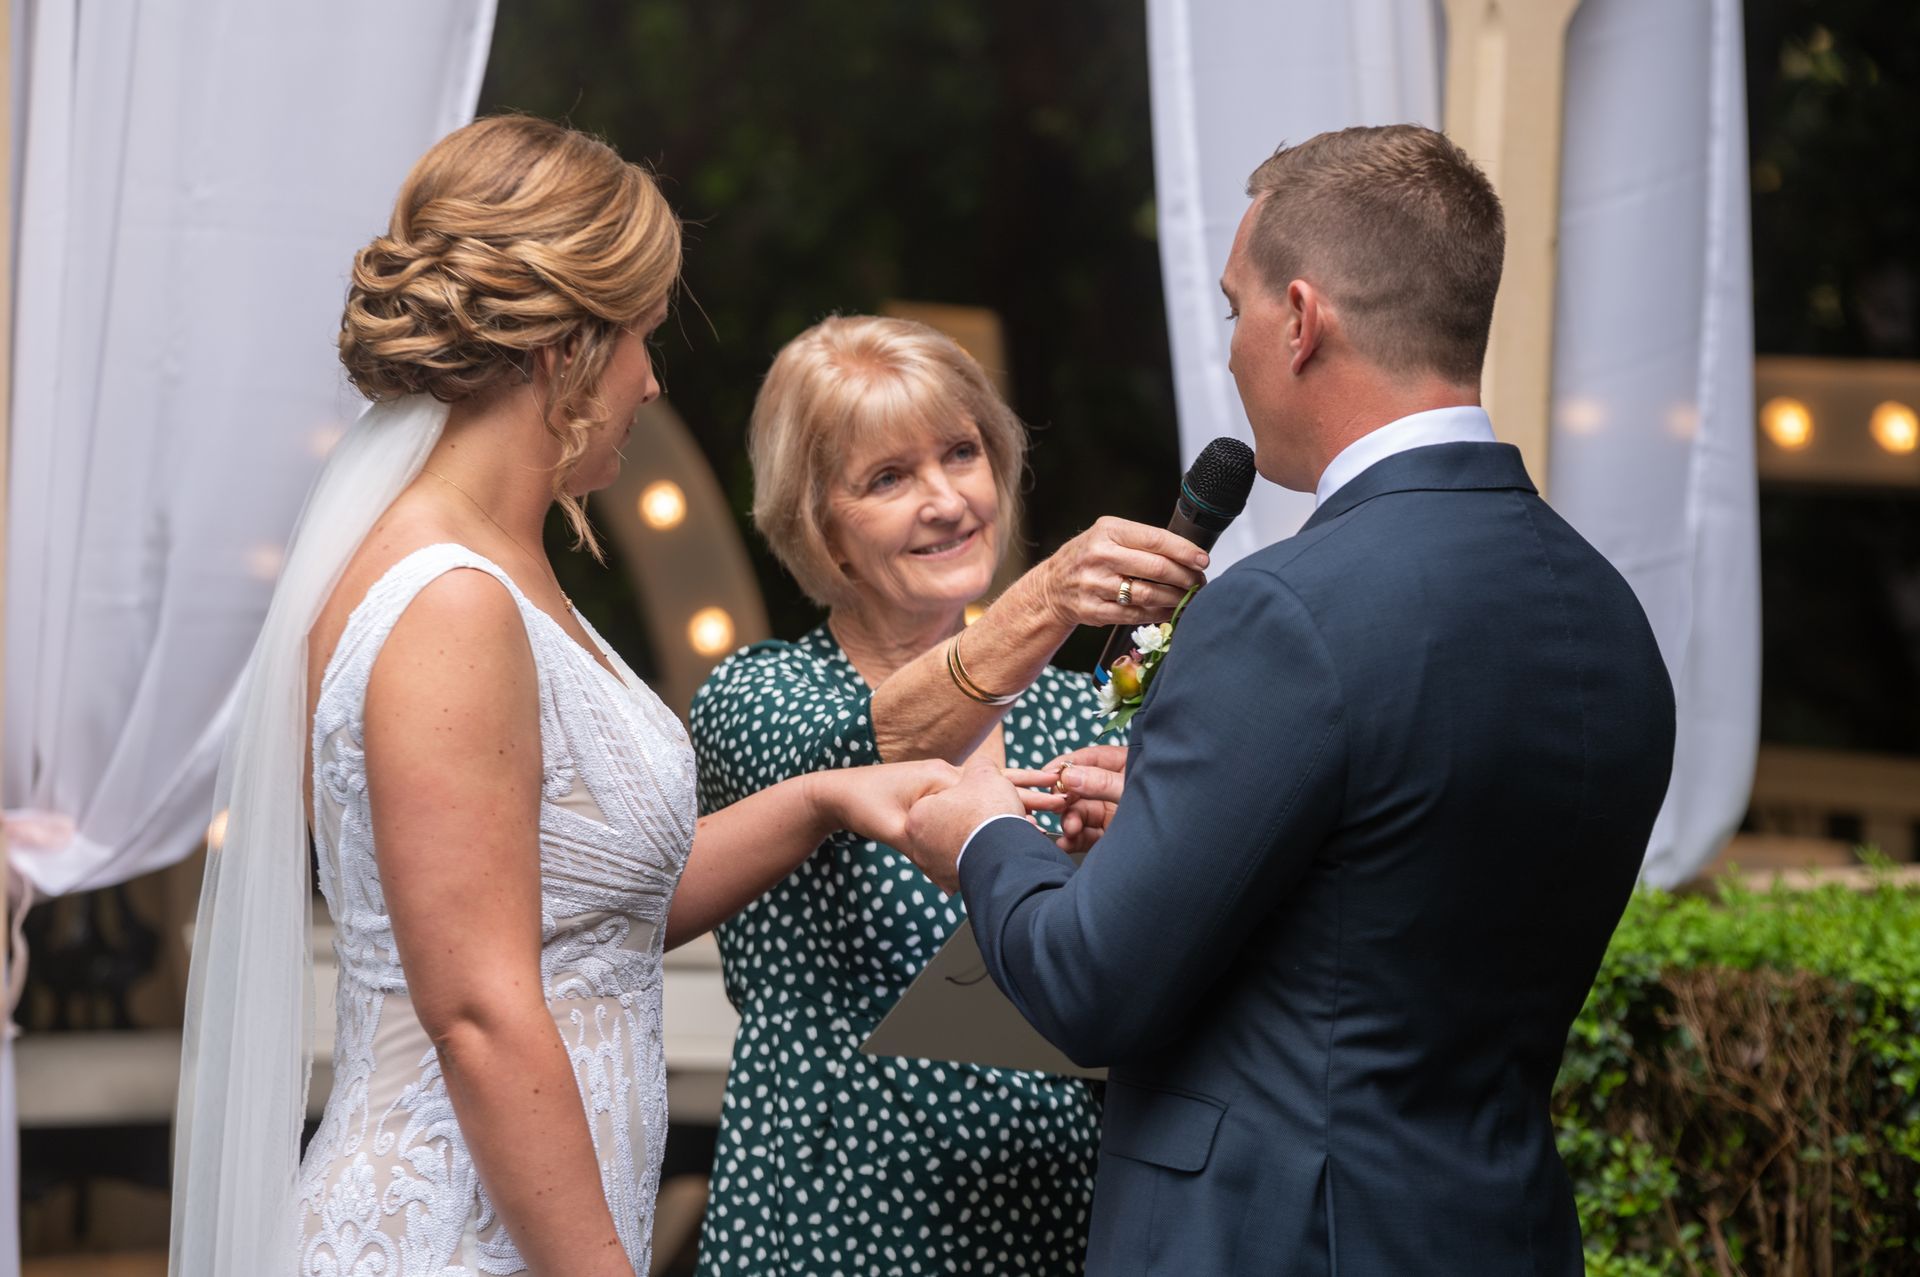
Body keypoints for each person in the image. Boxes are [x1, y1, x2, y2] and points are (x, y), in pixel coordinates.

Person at [171, 117, 957, 1277]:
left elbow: (582, 910)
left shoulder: (501, 564)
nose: (651, 380)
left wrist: (824, 799)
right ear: (564, 349)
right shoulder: (449, 601)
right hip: (453, 1237)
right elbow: (479, 1012)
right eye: (642, 336)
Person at [899, 124, 1678, 1276]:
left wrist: (983, 835)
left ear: (1302, 319)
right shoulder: (1608, 613)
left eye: (1236, 310)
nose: (1231, 351)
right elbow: (1398, 882)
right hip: (1498, 1230)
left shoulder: (1284, 611)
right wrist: (1171, 818)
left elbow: (1090, 983)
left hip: (1273, 1238)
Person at [687, 314, 1210, 1275]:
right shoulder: (759, 694)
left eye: (962, 453)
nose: (946, 499)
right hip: (838, 1220)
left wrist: (1130, 856)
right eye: (888, 477)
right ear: (821, 526)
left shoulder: (1083, 708)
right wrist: (1048, 596)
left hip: (1059, 1214)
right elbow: (866, 747)